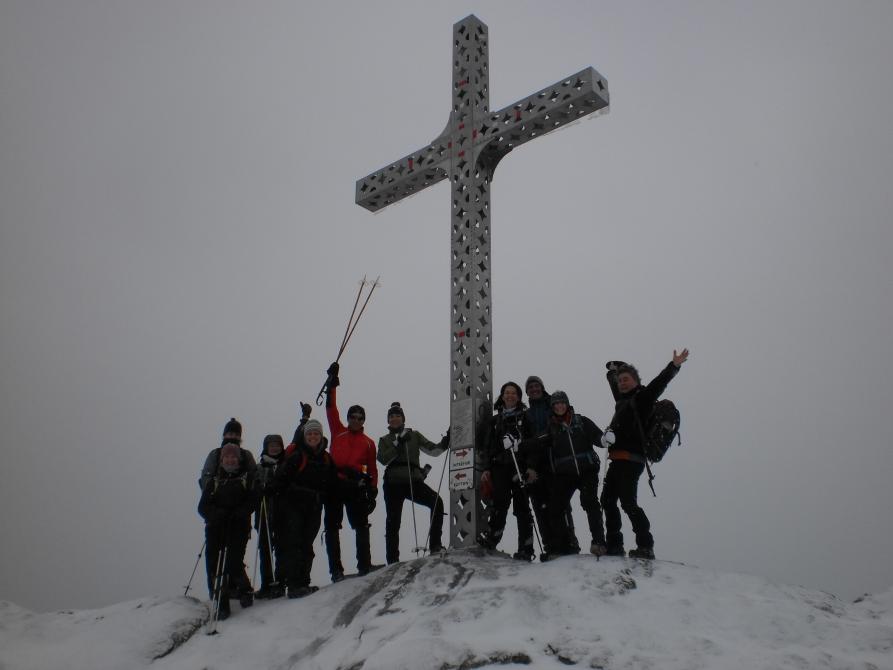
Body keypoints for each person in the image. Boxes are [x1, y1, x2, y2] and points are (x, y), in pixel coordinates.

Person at [601, 349, 689, 560]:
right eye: (620, 380)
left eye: (626, 379)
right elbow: (616, 388)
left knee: (628, 502)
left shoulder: (642, 398)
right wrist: (613, 371)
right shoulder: (623, 401)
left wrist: (674, 366)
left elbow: (659, 383)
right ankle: (614, 543)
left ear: (636, 381)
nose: (621, 383)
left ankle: (645, 545)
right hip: (618, 460)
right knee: (607, 500)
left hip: (631, 460)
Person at [525, 390, 606, 559]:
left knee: (589, 502)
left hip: (587, 470)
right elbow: (536, 443)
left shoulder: (581, 421)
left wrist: (605, 440)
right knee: (555, 507)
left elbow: (598, 437)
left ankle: (599, 542)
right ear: (552, 407)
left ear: (567, 404)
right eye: (556, 404)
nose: (559, 406)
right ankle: (561, 547)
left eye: (562, 403)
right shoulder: (551, 428)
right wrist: (517, 444)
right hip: (565, 474)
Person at [323, 361, 380, 581]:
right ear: (348, 419)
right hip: (335, 483)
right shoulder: (338, 431)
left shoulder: (368, 443)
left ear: (364, 420)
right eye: (352, 416)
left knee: (361, 524)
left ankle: (364, 565)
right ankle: (336, 571)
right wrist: (332, 384)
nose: (355, 420)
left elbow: (372, 469)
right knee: (332, 526)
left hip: (356, 485)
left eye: (359, 417)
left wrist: (373, 490)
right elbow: (330, 408)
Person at [377, 402, 450, 563]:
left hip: (411, 480)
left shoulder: (414, 435)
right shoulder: (385, 439)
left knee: (436, 502)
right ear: (388, 421)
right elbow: (382, 459)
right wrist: (398, 443)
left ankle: (435, 545)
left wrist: (447, 440)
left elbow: (433, 450)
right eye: (391, 416)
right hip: (393, 483)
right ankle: (392, 560)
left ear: (403, 418)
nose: (394, 419)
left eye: (397, 416)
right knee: (393, 521)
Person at [275, 419, 336, 598]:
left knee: (307, 544)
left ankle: (303, 582)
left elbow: (333, 482)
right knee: (295, 543)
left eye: (316, 433)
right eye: (309, 433)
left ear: (321, 436)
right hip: (294, 507)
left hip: (314, 508)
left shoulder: (326, 458)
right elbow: (282, 480)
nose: (313, 436)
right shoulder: (297, 456)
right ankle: (294, 585)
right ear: (305, 436)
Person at [198, 441, 256, 620]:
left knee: (233, 562)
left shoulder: (245, 479)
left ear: (238, 460)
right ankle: (222, 603)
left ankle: (245, 589)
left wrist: (238, 513)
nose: (230, 460)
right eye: (227, 457)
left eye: (233, 457)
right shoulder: (214, 481)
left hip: (238, 528)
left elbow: (252, 502)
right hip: (216, 529)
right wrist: (217, 514)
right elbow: (202, 507)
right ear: (222, 459)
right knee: (215, 565)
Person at [478, 382, 537, 560]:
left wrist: (531, 465)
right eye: (507, 393)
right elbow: (489, 446)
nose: (510, 396)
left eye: (513, 393)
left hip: (520, 466)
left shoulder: (526, 417)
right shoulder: (495, 421)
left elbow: (533, 443)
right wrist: (487, 468)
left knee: (522, 506)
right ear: (502, 396)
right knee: (499, 503)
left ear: (518, 397)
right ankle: (492, 538)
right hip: (500, 467)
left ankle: (526, 548)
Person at [525, 376, 580, 555]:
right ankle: (550, 545)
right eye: (530, 387)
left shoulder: (553, 404)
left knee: (559, 503)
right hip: (537, 463)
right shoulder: (527, 414)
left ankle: (568, 543)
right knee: (540, 505)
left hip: (556, 461)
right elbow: (528, 440)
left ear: (542, 387)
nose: (534, 389)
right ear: (527, 392)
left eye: (536, 386)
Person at [254, 434, 286, 599]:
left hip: (281, 512)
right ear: (266, 447)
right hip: (264, 512)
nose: (274, 448)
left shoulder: (285, 465)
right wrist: (259, 491)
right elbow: (253, 489)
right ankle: (266, 583)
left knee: (281, 549)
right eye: (271, 445)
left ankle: (280, 582)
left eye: (277, 445)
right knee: (265, 550)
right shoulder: (259, 468)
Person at [199, 418, 257, 490]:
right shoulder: (215, 454)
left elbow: (254, 475)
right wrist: (210, 493)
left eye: (236, 435)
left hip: (242, 497)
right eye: (230, 434)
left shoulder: (246, 454)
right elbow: (206, 476)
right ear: (224, 435)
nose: (233, 437)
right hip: (218, 497)